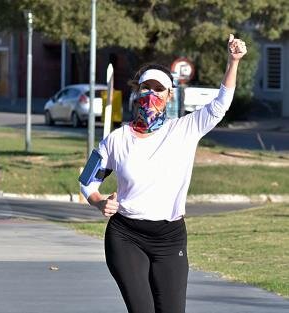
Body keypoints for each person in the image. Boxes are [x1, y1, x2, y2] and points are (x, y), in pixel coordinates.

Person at [80, 34, 247, 313]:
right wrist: (98, 201)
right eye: (146, 88)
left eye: (159, 90)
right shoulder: (116, 140)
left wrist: (233, 61)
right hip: (126, 236)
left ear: (169, 95)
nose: (151, 95)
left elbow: (221, 105)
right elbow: (88, 181)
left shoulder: (184, 130)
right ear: (137, 91)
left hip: (170, 238)